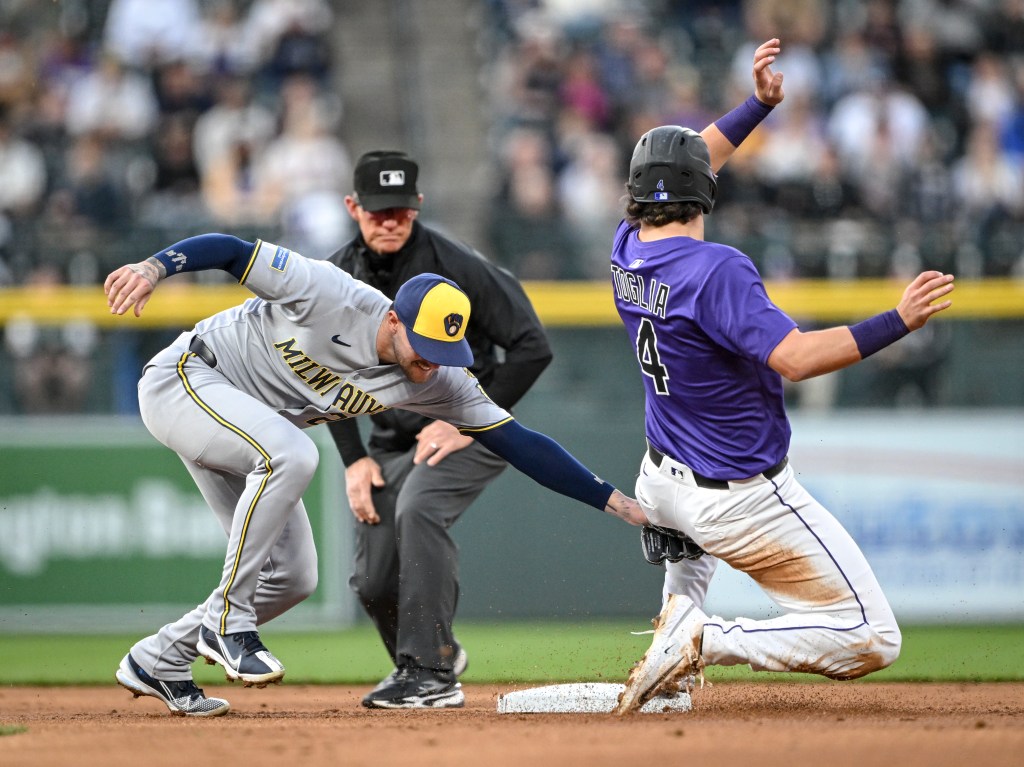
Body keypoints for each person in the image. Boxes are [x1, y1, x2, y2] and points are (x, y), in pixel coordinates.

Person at [102, 234, 648, 718]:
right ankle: (226, 622)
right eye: (425, 345)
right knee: (295, 454)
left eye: (445, 350)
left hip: (246, 431)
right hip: (187, 380)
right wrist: (154, 268)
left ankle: (159, 661)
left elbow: (523, 445)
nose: (431, 362)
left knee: (294, 578)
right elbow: (231, 250)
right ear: (393, 319)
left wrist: (618, 503)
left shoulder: (441, 380)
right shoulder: (328, 292)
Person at [607, 49, 955, 713]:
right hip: (738, 498)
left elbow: (686, 159)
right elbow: (793, 358)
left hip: (663, 479)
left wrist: (758, 106)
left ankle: (674, 646)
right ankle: (706, 639)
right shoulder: (715, 270)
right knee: (873, 636)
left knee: (687, 588)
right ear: (702, 191)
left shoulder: (626, 247)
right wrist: (897, 319)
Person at [323, 149, 553, 709]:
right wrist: (354, 458)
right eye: (377, 210)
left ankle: (429, 675)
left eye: (400, 210)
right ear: (353, 207)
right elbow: (322, 375)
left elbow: (531, 345)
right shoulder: (333, 278)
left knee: (419, 507)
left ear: (418, 206)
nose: (389, 221)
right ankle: (438, 652)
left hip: (469, 424)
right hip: (389, 441)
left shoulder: (454, 263)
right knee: (374, 581)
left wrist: (468, 427)